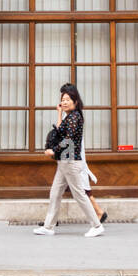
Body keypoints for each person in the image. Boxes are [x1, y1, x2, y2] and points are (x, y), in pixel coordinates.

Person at [34, 86, 104, 237]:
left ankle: (97, 225)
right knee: (55, 193)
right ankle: (48, 227)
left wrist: (53, 150)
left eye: (68, 100)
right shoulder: (69, 117)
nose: (64, 102)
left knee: (79, 194)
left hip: (71, 162)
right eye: (62, 100)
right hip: (64, 161)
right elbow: (59, 132)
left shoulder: (75, 117)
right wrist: (59, 113)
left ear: (76, 102)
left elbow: (68, 139)